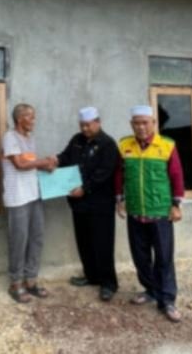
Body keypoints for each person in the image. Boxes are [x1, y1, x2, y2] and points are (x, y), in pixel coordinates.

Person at [115, 105, 185, 323]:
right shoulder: (124, 145)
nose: (141, 127)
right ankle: (151, 290)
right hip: (136, 211)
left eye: (145, 122)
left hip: (160, 212)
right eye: (136, 123)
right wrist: (120, 199)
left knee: (164, 257)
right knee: (140, 256)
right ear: (131, 125)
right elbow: (119, 175)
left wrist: (176, 204)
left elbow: (176, 176)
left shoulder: (166, 145)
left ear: (154, 123)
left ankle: (167, 300)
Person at [55, 106, 120, 301]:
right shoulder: (77, 140)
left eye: (88, 125)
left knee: (103, 243)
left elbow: (104, 172)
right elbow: (65, 157)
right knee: (84, 241)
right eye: (82, 125)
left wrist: (85, 188)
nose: (84, 129)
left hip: (100, 204)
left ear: (98, 122)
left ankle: (108, 283)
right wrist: (54, 161)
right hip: (79, 203)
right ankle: (92, 276)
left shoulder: (108, 144)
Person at [2, 103, 56, 303]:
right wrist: (43, 162)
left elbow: (30, 164)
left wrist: (45, 166)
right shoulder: (10, 137)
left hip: (34, 194)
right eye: (30, 117)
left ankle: (31, 280)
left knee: (36, 237)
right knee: (19, 240)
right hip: (17, 197)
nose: (34, 121)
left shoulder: (30, 138)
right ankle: (15, 283)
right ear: (20, 119)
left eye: (33, 117)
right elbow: (19, 164)